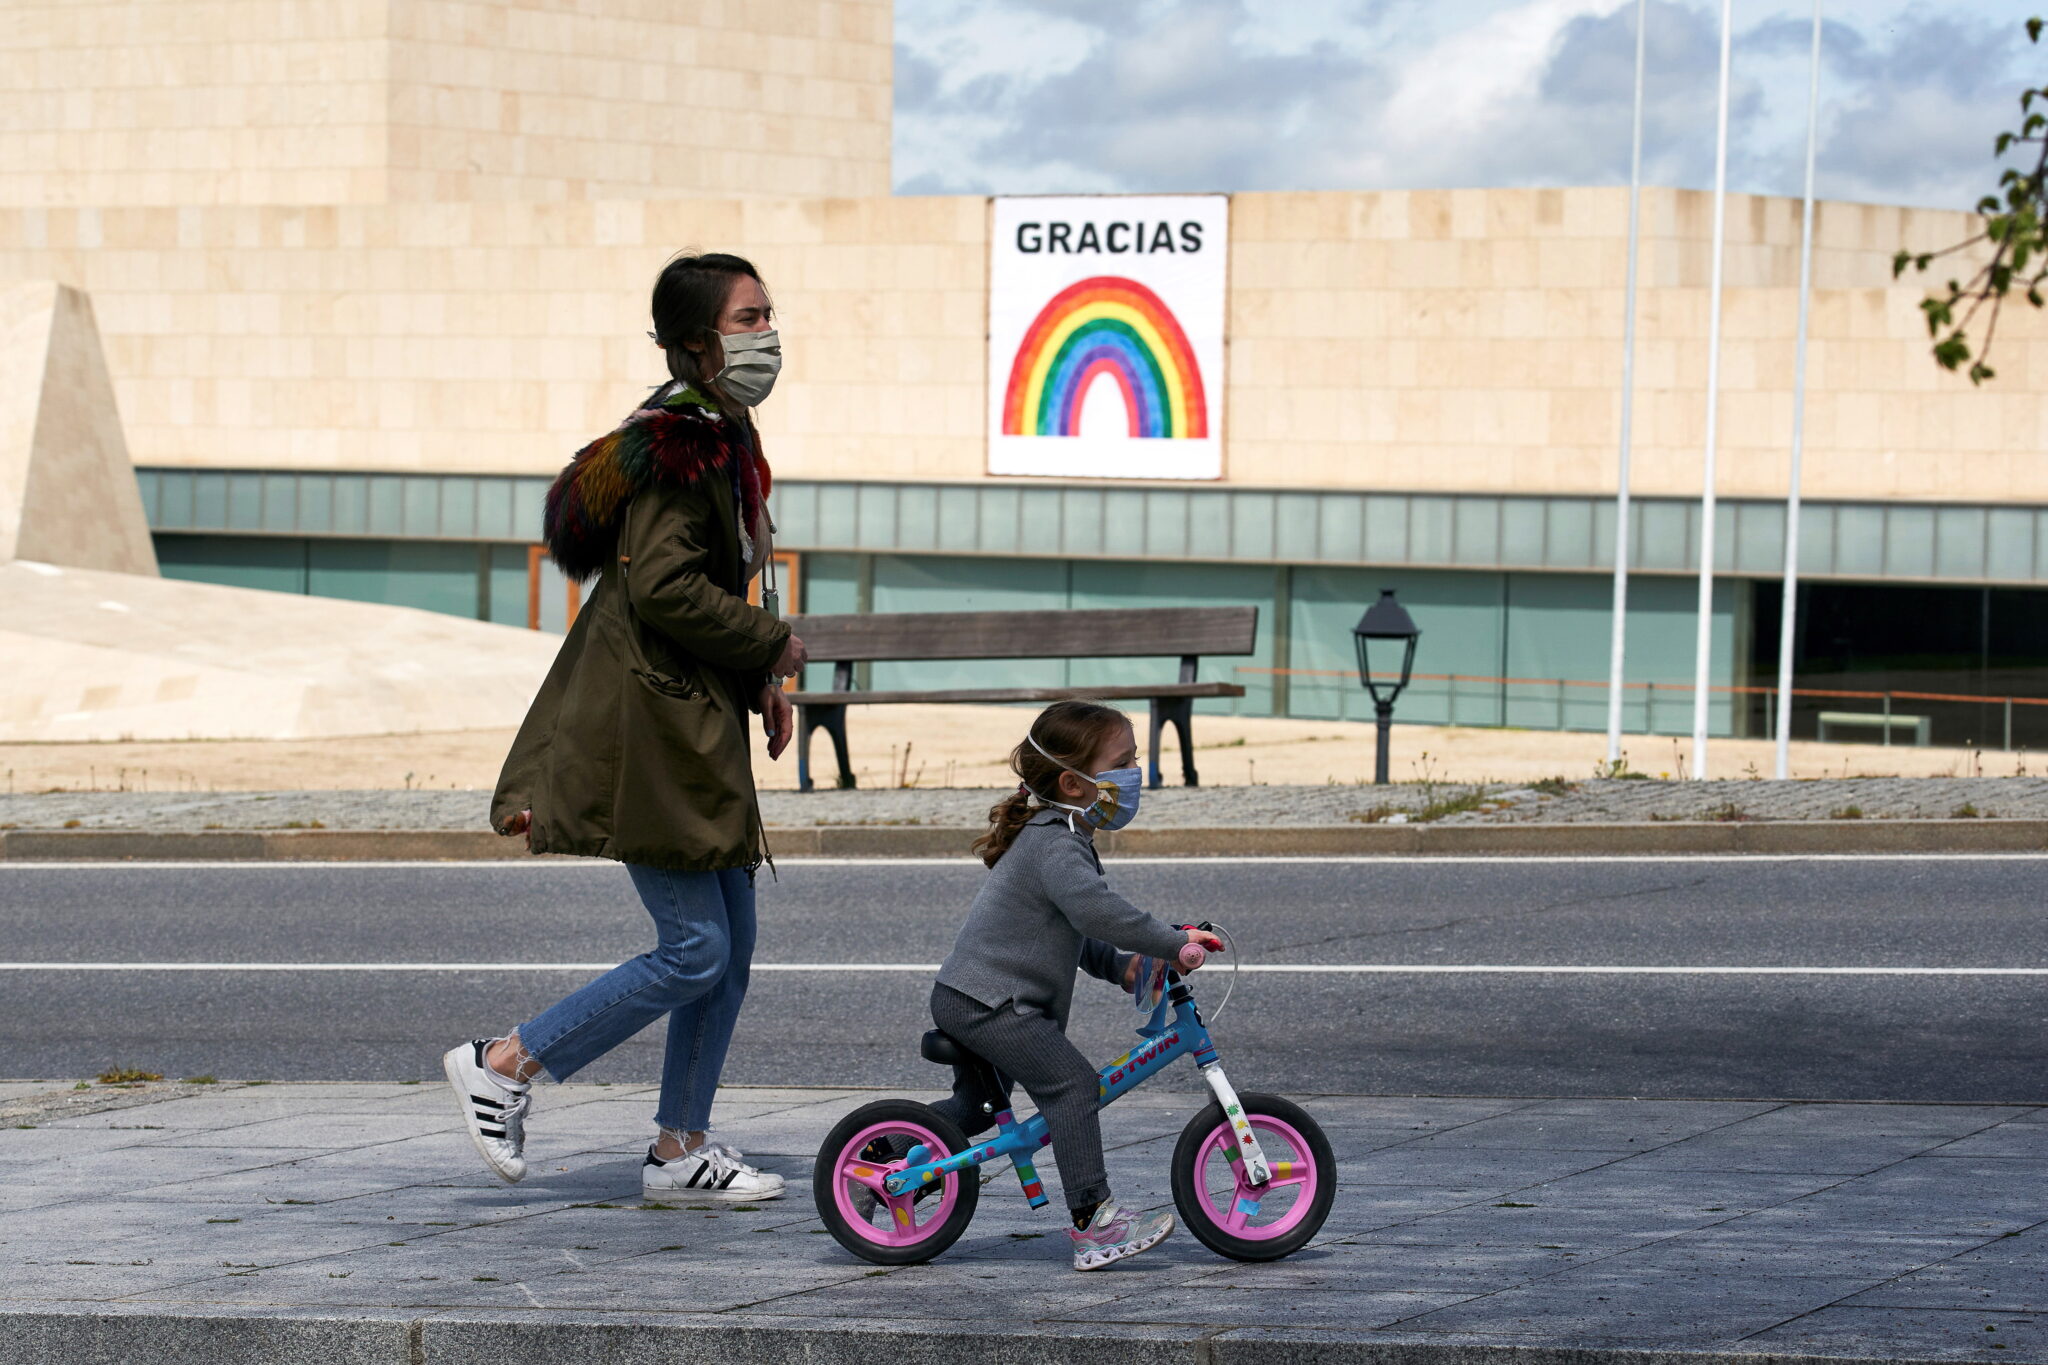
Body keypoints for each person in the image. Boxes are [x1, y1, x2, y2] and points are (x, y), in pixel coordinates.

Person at [441, 251, 807, 1204]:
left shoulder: (723, 433)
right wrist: (773, 642)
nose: (767, 334)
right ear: (697, 342)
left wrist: (757, 674)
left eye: (768, 314)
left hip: (691, 714)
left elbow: (711, 582)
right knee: (695, 948)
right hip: (654, 724)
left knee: (730, 948)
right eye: (748, 318)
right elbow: (666, 586)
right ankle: (507, 1062)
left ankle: (681, 1149)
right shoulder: (681, 446)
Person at [922, 699, 1224, 1270]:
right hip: (990, 1004)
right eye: (1124, 764)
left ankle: (882, 1163)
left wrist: (1126, 967)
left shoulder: (1061, 833)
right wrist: (1170, 941)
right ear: (1074, 781)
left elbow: (1071, 932)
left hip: (978, 997)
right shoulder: (1055, 841)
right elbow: (1097, 913)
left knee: (978, 1108)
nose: (1135, 776)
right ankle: (1094, 1224)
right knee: (1073, 1087)